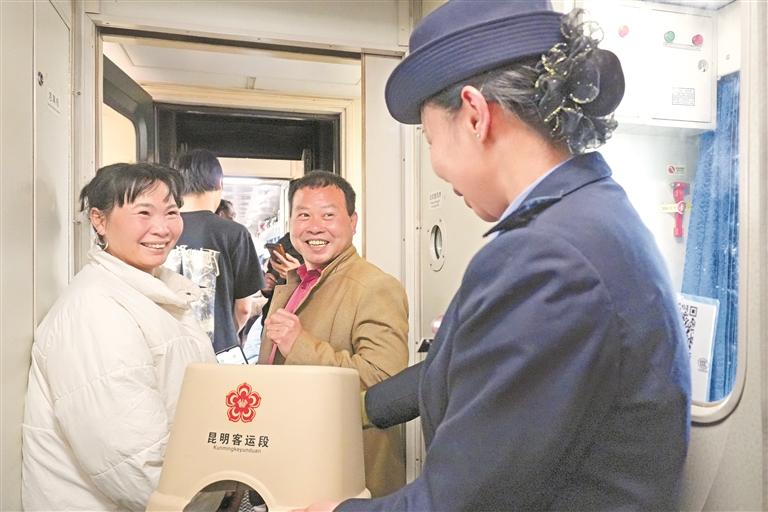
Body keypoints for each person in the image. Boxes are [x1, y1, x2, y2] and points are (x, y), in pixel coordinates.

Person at [310, 2, 692, 511]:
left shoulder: (545, 256)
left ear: (475, 115)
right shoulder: (594, 213)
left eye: (430, 138)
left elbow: (462, 503)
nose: (437, 164)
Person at [21, 163, 217, 511]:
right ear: (99, 220)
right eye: (144, 212)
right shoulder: (95, 310)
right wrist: (206, 500)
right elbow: (133, 464)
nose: (162, 228)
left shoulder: (153, 291)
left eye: (171, 212)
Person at [258, 171, 409, 497]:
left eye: (328, 215)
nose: (314, 227)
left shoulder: (376, 287)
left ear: (353, 222)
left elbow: (386, 383)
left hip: (345, 476)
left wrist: (300, 345)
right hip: (291, 461)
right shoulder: (294, 282)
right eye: (303, 215)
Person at [169, 149, 265, 354]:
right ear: (219, 183)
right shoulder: (235, 233)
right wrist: (228, 335)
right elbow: (244, 309)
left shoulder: (158, 230)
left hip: (168, 350)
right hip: (218, 351)